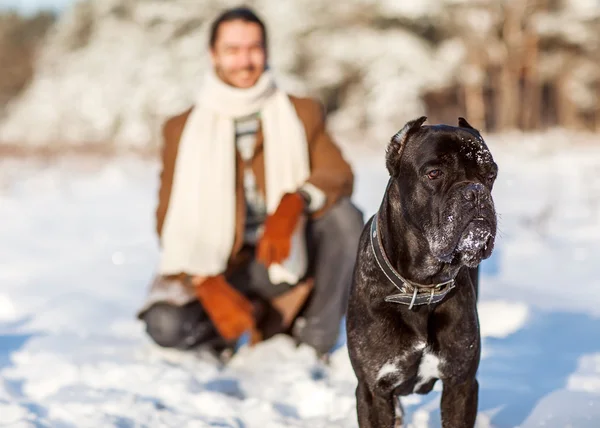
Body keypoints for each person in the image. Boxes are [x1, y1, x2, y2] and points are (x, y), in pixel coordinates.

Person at [136, 6, 364, 359]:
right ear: (213, 55)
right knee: (164, 324)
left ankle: (314, 338)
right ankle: (237, 326)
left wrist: (296, 201)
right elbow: (168, 218)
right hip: (225, 267)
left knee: (345, 217)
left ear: (266, 51)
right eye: (233, 50)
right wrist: (204, 281)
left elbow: (338, 174)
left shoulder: (300, 112)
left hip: (287, 257)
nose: (245, 60)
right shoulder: (181, 128)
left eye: (253, 48)